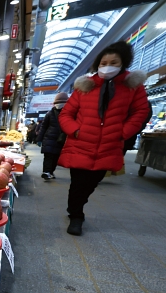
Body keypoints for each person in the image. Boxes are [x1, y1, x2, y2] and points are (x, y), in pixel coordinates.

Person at [58, 41, 149, 236]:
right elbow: (66, 114)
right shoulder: (85, 87)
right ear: (98, 64)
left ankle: (76, 206)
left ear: (123, 63)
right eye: (104, 62)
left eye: (114, 62)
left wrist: (123, 132)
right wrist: (76, 131)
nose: (108, 65)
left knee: (91, 183)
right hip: (80, 144)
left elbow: (141, 112)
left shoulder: (132, 88)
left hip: (108, 146)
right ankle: (76, 215)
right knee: (77, 183)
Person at [37, 92, 69, 180]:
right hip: (50, 139)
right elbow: (43, 127)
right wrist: (39, 139)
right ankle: (46, 172)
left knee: (55, 157)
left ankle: (50, 172)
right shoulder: (49, 114)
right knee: (49, 156)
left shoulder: (68, 114)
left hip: (60, 140)